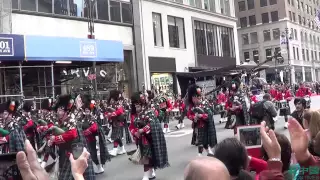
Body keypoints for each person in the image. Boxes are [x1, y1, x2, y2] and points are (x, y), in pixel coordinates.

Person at [130, 92, 169, 180]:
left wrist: (142, 130)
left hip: (149, 138)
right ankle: (151, 172)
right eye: (135, 106)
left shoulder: (149, 112)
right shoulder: (134, 115)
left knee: (147, 157)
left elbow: (153, 124)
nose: (136, 108)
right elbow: (131, 126)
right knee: (147, 156)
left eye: (138, 106)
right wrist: (135, 133)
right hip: (140, 139)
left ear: (142, 104)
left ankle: (146, 175)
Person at [16, 139, 89, 180]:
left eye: (61, 110)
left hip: (68, 156)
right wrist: (78, 174)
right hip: (63, 155)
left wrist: (78, 174)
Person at [187, 85, 217, 156]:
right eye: (193, 98)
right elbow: (189, 114)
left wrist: (201, 116)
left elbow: (209, 114)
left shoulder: (205, 103)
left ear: (199, 97)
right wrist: (193, 117)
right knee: (200, 141)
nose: (194, 99)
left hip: (205, 125)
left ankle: (203, 153)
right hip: (197, 125)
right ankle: (205, 153)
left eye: (195, 98)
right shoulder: (192, 106)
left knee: (204, 141)